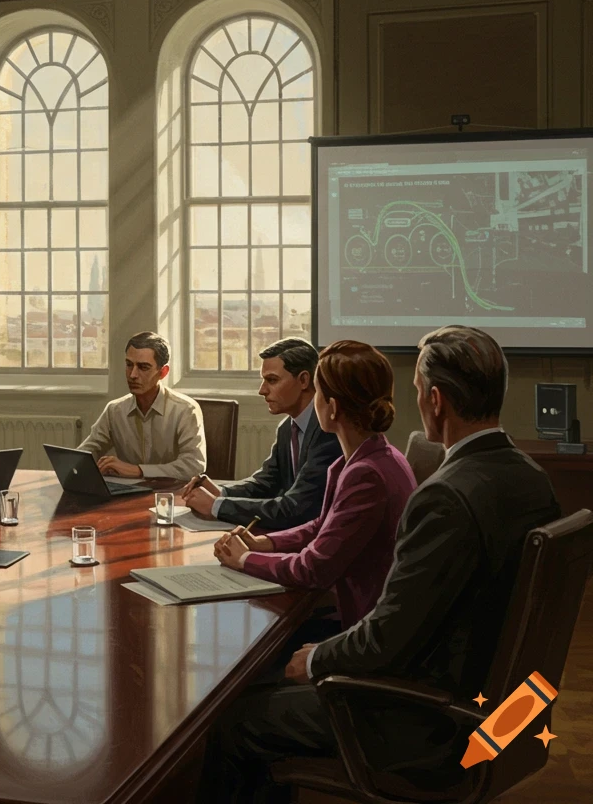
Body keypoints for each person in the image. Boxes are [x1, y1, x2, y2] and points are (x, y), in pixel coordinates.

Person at [197, 326, 562, 803]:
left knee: (231, 721)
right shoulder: (533, 479)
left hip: (426, 721)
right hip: (501, 710)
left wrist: (319, 658)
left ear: (435, 400)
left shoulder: (447, 498)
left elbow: (388, 636)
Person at [213, 341, 416, 633]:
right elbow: (322, 525)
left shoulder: (366, 474)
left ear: (331, 407)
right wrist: (266, 543)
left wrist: (245, 559)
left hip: (363, 627)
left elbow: (312, 569)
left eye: (317, 392)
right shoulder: (363, 458)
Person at [182, 337, 342, 530]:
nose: (262, 390)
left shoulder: (327, 430)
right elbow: (266, 482)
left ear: (303, 380)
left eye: (272, 380)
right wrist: (222, 491)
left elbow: (296, 508)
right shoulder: (287, 427)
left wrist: (216, 506)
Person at [76, 331, 205, 481]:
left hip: (172, 495)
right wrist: (77, 464)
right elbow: (88, 451)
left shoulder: (186, 410)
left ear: (163, 372)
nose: (132, 375)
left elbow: (194, 465)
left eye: (143, 367)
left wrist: (137, 470)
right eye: (129, 365)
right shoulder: (115, 410)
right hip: (127, 494)